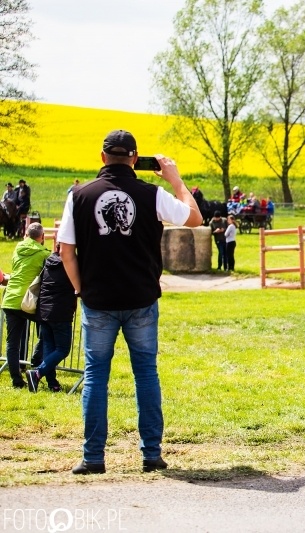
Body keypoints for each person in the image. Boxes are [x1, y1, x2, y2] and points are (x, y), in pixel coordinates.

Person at [57, 129, 202, 475]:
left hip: (98, 300)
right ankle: (151, 454)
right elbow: (194, 218)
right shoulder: (152, 194)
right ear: (135, 159)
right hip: (140, 299)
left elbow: (65, 251)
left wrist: (80, 289)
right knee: (145, 375)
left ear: (102, 157)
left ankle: (93, 457)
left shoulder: (79, 195)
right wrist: (176, 179)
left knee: (95, 377)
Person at [1, 223, 49, 389]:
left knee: (12, 343)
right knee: (47, 331)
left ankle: (16, 379)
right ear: (42, 237)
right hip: (30, 301)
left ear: (26, 235)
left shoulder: (17, 249)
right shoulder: (44, 254)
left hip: (10, 298)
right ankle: (37, 362)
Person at [25, 245, 78, 393]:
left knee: (49, 348)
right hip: (60, 313)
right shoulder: (71, 263)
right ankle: (37, 373)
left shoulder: (49, 260)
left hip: (44, 312)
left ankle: (52, 383)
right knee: (62, 349)